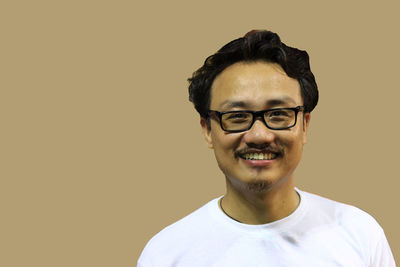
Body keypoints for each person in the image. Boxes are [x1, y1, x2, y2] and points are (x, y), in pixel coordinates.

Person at [137, 30, 396, 266]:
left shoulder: (360, 235)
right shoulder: (166, 254)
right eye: (237, 116)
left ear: (304, 125)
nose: (259, 135)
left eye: (279, 114)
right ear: (207, 130)